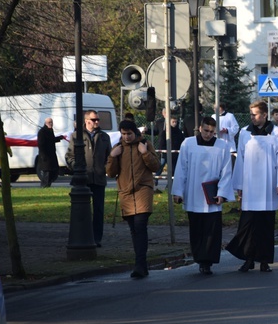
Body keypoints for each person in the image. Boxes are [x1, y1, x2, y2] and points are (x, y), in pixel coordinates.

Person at [227, 101, 278, 273]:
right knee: (249, 224)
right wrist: (240, 185)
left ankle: (264, 260)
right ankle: (248, 258)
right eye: (251, 114)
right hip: (250, 185)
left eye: (255, 114)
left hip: (269, 184)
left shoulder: (277, 133)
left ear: (265, 115)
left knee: (266, 224)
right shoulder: (244, 133)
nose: (252, 117)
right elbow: (241, 159)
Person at [172, 117, 234, 275]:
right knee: (197, 228)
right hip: (193, 193)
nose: (208, 134)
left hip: (212, 194)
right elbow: (181, 168)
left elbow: (226, 172)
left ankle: (208, 261)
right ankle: (199, 258)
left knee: (212, 229)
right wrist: (178, 191)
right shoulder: (188, 143)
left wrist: (222, 193)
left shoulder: (222, 146)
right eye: (206, 131)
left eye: (212, 132)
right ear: (200, 128)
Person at [106, 120, 161, 278]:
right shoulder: (118, 148)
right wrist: (111, 156)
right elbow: (110, 173)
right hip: (126, 193)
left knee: (140, 226)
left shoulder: (145, 144)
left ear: (135, 132)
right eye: (123, 134)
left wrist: (145, 153)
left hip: (143, 190)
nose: (126, 137)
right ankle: (141, 265)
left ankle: (140, 265)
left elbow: (155, 166)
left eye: (129, 133)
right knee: (134, 230)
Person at [66, 110, 112, 248]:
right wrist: (77, 168)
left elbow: (109, 157)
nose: (97, 122)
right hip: (83, 179)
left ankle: (96, 238)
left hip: (98, 178)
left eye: (98, 119)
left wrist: (105, 168)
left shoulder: (104, 136)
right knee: (82, 210)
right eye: (94, 119)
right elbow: (69, 156)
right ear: (86, 121)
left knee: (98, 210)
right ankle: (83, 236)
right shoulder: (76, 136)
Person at [37, 117, 63, 187]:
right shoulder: (42, 132)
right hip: (46, 155)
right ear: (45, 123)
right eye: (49, 122)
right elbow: (41, 144)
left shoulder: (50, 130)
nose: (51, 124)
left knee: (53, 171)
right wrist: (43, 155)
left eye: (51, 122)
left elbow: (51, 140)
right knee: (47, 172)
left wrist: (59, 138)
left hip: (51, 154)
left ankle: (48, 185)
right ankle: (44, 186)